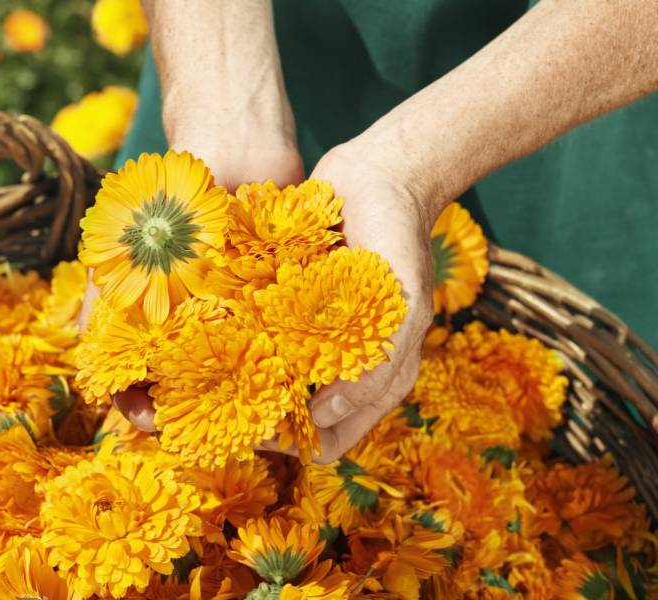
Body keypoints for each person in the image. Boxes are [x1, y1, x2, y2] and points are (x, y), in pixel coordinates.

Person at [83, 0, 658, 463]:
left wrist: (409, 168)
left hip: (587, 66)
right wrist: (221, 98)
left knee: (589, 423)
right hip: (274, 47)